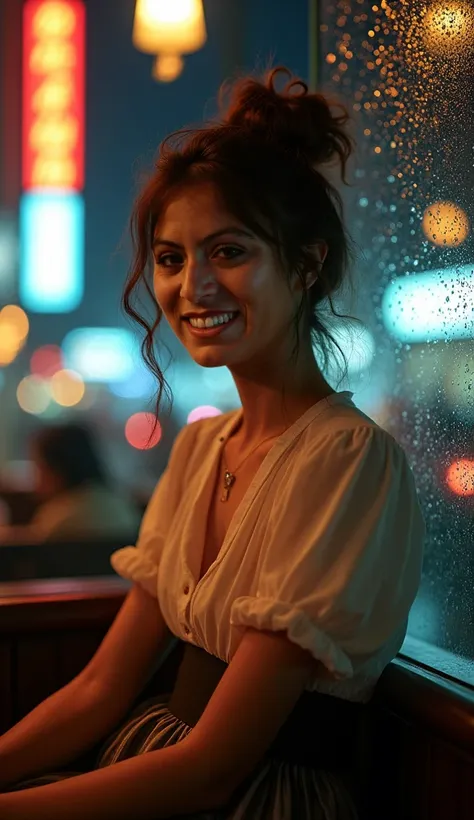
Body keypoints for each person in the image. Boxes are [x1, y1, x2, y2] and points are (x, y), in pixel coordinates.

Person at [0, 67, 425, 819]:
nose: (192, 285)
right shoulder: (202, 451)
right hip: (152, 766)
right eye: (170, 259)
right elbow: (100, 690)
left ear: (305, 263)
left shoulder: (347, 461)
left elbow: (211, 769)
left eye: (228, 252)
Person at [0, 423, 140, 543]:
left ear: (57, 469)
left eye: (39, 468)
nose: (35, 478)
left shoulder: (57, 519)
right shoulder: (122, 508)